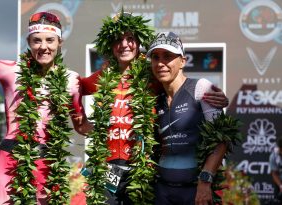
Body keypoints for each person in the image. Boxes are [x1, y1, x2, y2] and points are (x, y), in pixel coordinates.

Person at [0, 3, 92, 204]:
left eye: (50, 40)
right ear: (28, 42)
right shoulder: (8, 70)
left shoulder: (72, 80)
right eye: (36, 40)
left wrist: (118, 127)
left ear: (59, 42)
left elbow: (81, 126)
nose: (43, 46)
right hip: (11, 159)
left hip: (48, 162)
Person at [81, 12, 229, 204]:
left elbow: (182, 85)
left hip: (143, 172)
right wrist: (80, 122)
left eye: (131, 38)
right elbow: (75, 88)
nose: (124, 44)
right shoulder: (105, 76)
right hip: (111, 169)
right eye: (118, 39)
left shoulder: (154, 79)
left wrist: (215, 97)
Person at [147, 31, 228, 205]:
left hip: (195, 191)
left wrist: (205, 181)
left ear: (182, 61)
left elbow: (222, 140)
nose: (160, 63)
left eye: (167, 56)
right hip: (161, 192)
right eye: (155, 57)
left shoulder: (201, 88)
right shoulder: (153, 98)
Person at [269, 137, 282, 203]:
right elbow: (274, 173)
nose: (280, 151)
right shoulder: (273, 156)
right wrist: (281, 186)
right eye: (280, 149)